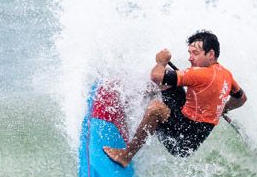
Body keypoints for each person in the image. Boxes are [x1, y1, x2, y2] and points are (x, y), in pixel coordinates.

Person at [103, 30, 246, 167]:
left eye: (195, 53)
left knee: (156, 108)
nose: (190, 58)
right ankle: (125, 100)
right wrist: (222, 108)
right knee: (169, 78)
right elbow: (241, 99)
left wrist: (161, 62)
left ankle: (125, 156)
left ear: (211, 54)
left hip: (183, 141)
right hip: (186, 117)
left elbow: (156, 77)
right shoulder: (226, 74)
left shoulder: (201, 74)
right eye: (190, 53)